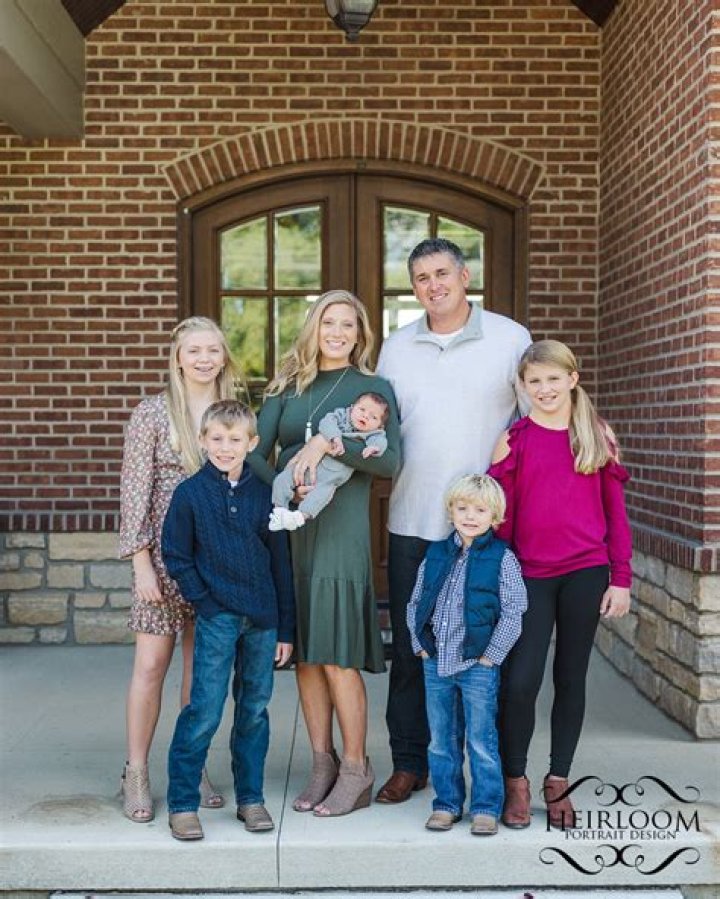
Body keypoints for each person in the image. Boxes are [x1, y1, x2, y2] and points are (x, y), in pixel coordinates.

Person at [375, 238, 531, 804]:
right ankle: (409, 762)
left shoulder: (510, 339)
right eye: (421, 277)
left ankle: (492, 772)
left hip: (484, 529)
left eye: (442, 273)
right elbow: (375, 427)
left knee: (488, 654)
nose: (433, 285)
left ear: (465, 277)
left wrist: (592, 430)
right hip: (414, 519)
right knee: (412, 647)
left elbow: (539, 416)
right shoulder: (396, 348)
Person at [248, 289, 400, 817]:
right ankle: (322, 763)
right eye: (328, 322)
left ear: (361, 334)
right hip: (293, 525)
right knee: (308, 654)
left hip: (341, 529)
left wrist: (326, 445)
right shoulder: (286, 386)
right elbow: (253, 453)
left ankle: (357, 769)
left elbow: (389, 462)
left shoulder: (374, 389)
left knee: (337, 654)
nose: (337, 332)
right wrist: (287, 481)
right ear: (314, 327)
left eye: (347, 324)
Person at [488, 339, 632, 830]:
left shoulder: (595, 435)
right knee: (521, 681)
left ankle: (558, 781)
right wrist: (498, 575)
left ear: (572, 378)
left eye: (553, 379)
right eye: (535, 381)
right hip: (530, 574)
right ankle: (515, 782)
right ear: (523, 387)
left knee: (570, 677)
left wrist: (621, 578)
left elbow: (616, 515)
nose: (545, 389)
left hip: (585, 573)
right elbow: (501, 519)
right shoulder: (516, 439)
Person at [118, 316, 241, 822]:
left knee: (201, 675)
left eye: (213, 350)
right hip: (162, 564)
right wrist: (141, 564)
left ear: (223, 356)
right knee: (151, 667)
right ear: (178, 357)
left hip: (212, 563)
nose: (204, 359)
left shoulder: (232, 412)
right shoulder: (152, 413)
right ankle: (136, 772)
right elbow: (134, 491)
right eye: (194, 350)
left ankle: (190, 766)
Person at [162, 400, 294, 841]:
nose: (225, 447)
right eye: (216, 438)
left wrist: (285, 627)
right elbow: (176, 556)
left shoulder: (265, 493)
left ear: (251, 443)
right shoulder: (189, 495)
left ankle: (250, 798)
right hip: (218, 617)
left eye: (234, 439)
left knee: (254, 711)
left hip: (262, 619)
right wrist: (206, 603)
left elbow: (280, 563)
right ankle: (183, 803)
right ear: (203, 441)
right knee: (204, 709)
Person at [407, 475, 527, 836]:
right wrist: (419, 643)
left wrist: (492, 655)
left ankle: (486, 806)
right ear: (451, 512)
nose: (470, 516)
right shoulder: (435, 553)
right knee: (441, 738)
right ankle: (446, 803)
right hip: (436, 661)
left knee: (480, 738)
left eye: (480, 510)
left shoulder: (501, 558)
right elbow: (416, 601)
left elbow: (514, 609)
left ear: (495, 516)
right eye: (462, 508)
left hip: (477, 664)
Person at [269, 391, 389, 531]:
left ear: (380, 426)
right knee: (281, 480)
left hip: (330, 478)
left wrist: (374, 448)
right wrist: (335, 437)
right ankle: (279, 512)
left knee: (320, 496)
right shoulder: (341, 416)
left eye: (373, 417)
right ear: (351, 408)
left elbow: (381, 441)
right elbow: (326, 422)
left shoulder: (373, 434)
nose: (365, 416)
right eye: (362, 409)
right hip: (307, 467)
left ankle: (300, 517)